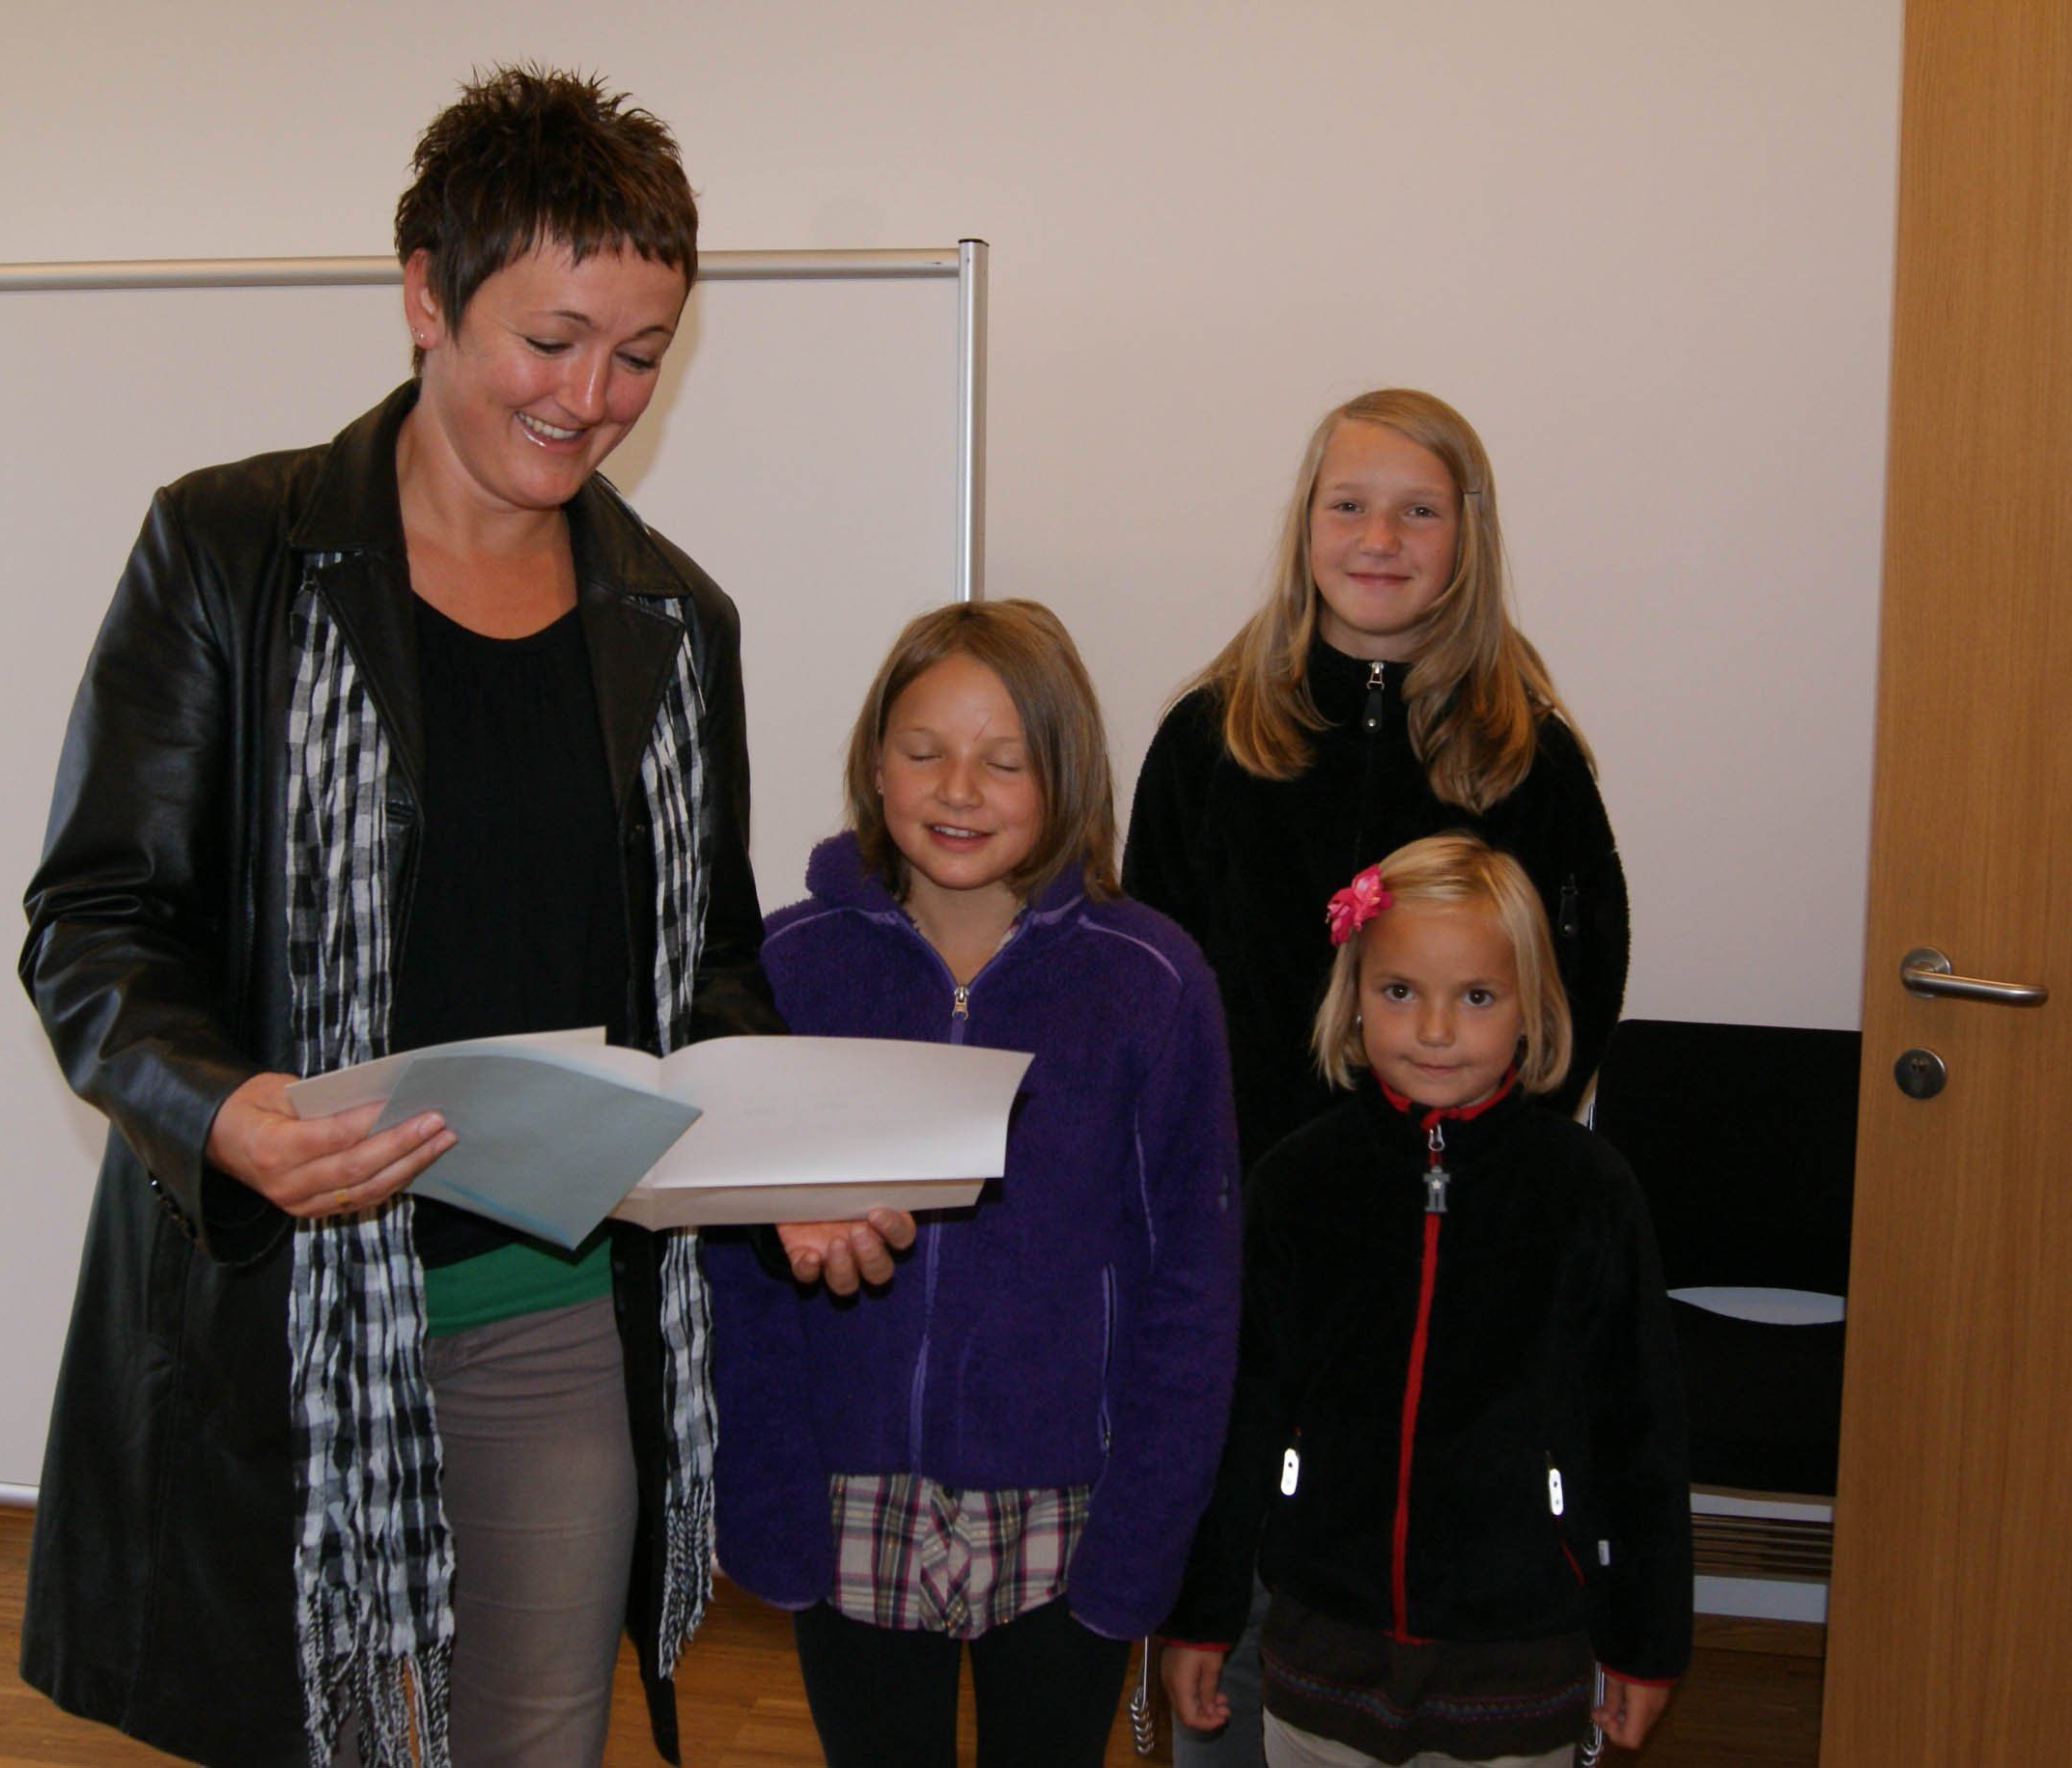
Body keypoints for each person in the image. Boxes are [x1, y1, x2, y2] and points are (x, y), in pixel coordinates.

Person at [15, 66, 898, 1768]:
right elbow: (93, 923)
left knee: (534, 1737)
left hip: (547, 1308)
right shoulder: (230, 551)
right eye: (551, 339)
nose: (593, 398)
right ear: (426, 291)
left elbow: (706, 972)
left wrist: (788, 1160)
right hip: (276, 1316)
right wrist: (224, 1108)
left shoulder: (672, 620)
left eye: (638, 354)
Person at [1121, 388, 1630, 1761]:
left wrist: (1492, 1178)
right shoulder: (1208, 739)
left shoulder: (1528, 757)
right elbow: (1147, 995)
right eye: (1347, 503)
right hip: (1248, 1236)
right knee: (1236, 1542)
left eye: (1418, 509)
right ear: (1304, 524)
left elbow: (1578, 987)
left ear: (1469, 535)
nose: (1378, 537)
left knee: (1413, 1555)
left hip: (1457, 1257)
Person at [705, 601, 1244, 1767]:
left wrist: (1146, 1534)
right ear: (873, 761)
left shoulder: (1150, 982)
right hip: (845, 1494)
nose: (958, 789)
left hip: (1069, 1505)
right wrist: (764, 1491)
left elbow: (1192, 1287)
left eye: (1004, 761)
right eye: (923, 750)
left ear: (1066, 776)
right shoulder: (786, 968)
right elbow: (735, 1271)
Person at [1161, 834, 1690, 1768]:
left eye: (1476, 996)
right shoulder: (1295, 1184)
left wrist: (1644, 1642)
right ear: (1353, 997)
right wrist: (1202, 1615)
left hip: (1519, 1646)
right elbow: (1238, 1417)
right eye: (1399, 990)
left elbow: (1639, 1435)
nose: (1434, 1029)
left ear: (1531, 1008)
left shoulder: (1587, 1194)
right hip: (1322, 1638)